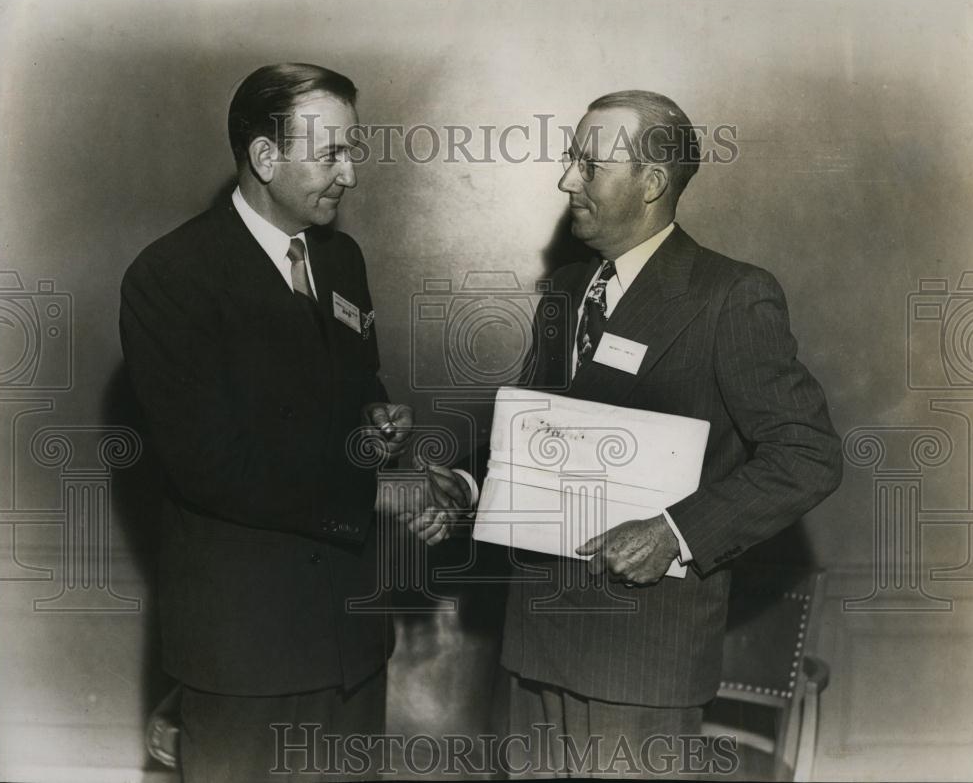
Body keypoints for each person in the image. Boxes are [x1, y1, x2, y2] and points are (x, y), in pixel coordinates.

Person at [430, 90, 843, 778]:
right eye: (571, 161)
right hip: (535, 642)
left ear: (651, 183)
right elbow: (540, 427)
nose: (567, 181)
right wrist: (470, 480)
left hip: (640, 660)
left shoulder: (730, 295)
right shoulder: (566, 289)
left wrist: (677, 533)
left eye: (588, 166)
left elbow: (808, 454)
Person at [119, 63, 467, 782]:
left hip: (350, 639)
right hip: (242, 655)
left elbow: (346, 398)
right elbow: (214, 465)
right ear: (266, 157)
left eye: (354, 149)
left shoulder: (341, 259)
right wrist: (382, 494)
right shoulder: (172, 276)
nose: (352, 174)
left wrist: (379, 432)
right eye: (332, 152)